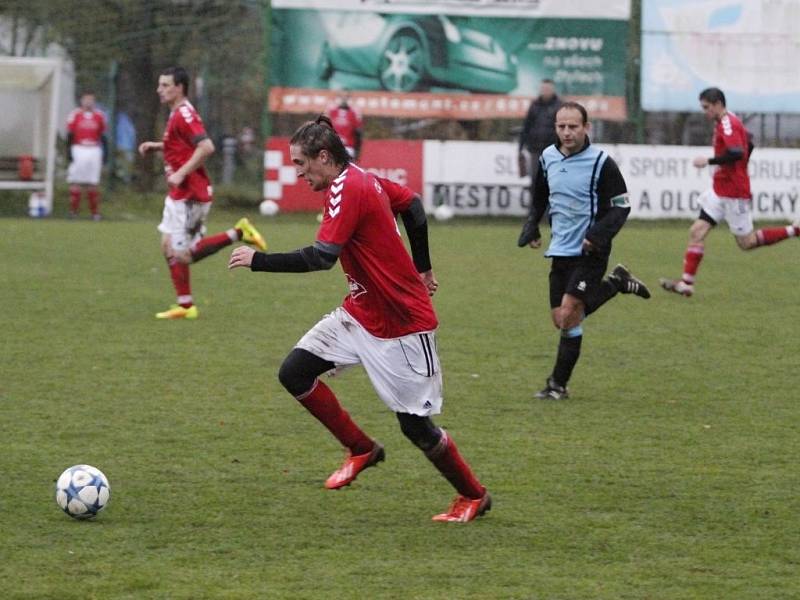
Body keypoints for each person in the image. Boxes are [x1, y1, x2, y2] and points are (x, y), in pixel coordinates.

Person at [228, 115, 491, 523]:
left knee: (416, 427)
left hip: (401, 324)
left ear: (323, 156)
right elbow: (413, 206)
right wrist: (423, 268)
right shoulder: (361, 178)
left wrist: (258, 260)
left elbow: (321, 257)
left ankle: (473, 495)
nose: (297, 172)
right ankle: (361, 448)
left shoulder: (347, 189)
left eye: (301, 163)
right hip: (360, 312)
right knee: (295, 372)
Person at [517, 101, 651, 400]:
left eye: (573, 127)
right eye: (561, 126)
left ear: (586, 128)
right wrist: (532, 225)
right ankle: (617, 283)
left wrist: (597, 235)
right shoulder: (548, 157)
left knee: (568, 314)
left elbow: (621, 205)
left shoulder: (601, 162)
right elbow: (539, 195)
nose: (566, 132)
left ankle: (557, 385)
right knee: (561, 320)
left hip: (591, 252)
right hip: (560, 249)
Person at [138, 66, 267, 320]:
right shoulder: (176, 114)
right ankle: (185, 305)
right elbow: (181, 145)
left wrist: (181, 173)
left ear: (179, 87)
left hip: (190, 194)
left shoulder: (184, 114)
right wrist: (158, 147)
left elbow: (206, 147)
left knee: (183, 254)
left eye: (165, 85)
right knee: (167, 246)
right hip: (178, 194)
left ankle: (239, 232)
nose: (159, 90)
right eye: (160, 85)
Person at [660, 87, 800, 297]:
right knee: (697, 231)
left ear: (717, 104)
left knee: (747, 242)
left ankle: (795, 230)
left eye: (706, 107)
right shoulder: (728, 121)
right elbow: (748, 143)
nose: (705, 112)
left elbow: (736, 151)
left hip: (734, 193)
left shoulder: (727, 123)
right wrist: (740, 165)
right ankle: (686, 284)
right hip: (720, 190)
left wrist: (708, 161)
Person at [517, 79, 561, 244]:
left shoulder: (559, 106)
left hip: (555, 153)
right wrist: (521, 147)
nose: (545, 90)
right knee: (536, 185)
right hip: (536, 151)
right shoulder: (534, 106)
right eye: (543, 88)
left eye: (548, 88)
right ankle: (533, 220)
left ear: (552, 89)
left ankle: (553, 217)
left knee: (554, 185)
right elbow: (526, 127)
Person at [66, 92, 107, 220]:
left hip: (94, 149)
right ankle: (73, 212)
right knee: (75, 181)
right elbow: (70, 134)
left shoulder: (99, 116)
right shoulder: (75, 115)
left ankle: (95, 213)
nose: (88, 102)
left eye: (91, 100)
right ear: (81, 101)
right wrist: (68, 152)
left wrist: (105, 153)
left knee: (93, 181)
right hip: (78, 149)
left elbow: (103, 136)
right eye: (86, 99)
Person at [327, 93, 363, 161]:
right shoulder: (332, 112)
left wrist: (357, 151)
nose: (344, 100)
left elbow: (358, 133)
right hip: (338, 148)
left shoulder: (353, 113)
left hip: (345, 148)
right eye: (342, 97)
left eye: (346, 97)